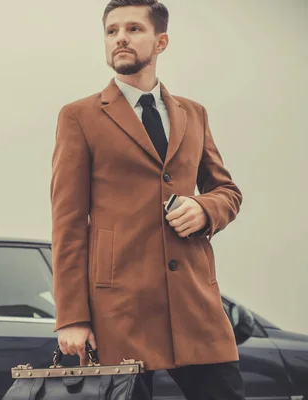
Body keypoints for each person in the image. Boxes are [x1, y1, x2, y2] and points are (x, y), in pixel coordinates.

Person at [49, 0, 244, 398]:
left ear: (161, 42)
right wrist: (72, 317)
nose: (120, 38)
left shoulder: (194, 114)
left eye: (134, 29)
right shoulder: (79, 117)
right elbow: (67, 224)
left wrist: (205, 209)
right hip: (118, 311)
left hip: (195, 304)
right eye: (111, 31)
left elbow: (227, 191)